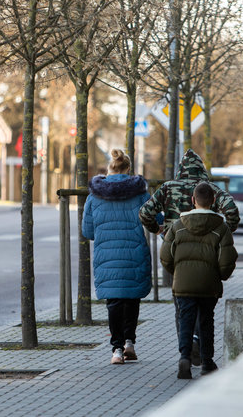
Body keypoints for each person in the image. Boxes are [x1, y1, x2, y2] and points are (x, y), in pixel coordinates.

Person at [139, 148, 239, 366]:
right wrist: (225, 232)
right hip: (207, 252)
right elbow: (231, 209)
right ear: (201, 170)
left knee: (182, 303)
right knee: (205, 310)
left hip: (178, 249)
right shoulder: (209, 188)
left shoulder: (168, 188)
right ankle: (201, 350)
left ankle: (185, 349)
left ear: (181, 169)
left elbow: (145, 212)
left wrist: (159, 231)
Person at [160, 182, 238, 379]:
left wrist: (177, 272)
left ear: (193, 201)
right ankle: (207, 362)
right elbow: (227, 259)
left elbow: (166, 256)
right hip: (208, 284)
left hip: (183, 283)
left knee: (185, 319)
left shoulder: (177, 226)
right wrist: (219, 276)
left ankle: (184, 358)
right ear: (213, 202)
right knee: (206, 321)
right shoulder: (221, 228)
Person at [82, 149, 152, 365]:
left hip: (107, 255)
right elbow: (153, 217)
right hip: (134, 252)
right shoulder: (140, 193)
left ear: (109, 168)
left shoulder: (94, 196)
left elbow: (88, 232)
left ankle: (116, 350)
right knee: (132, 298)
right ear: (128, 170)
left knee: (114, 302)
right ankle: (130, 341)